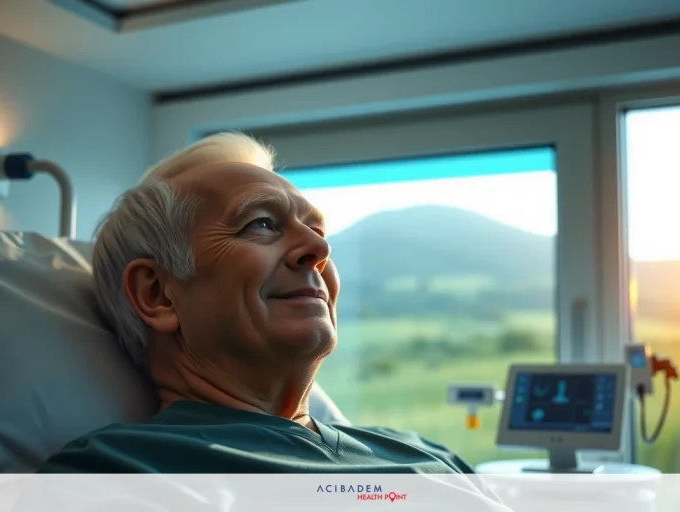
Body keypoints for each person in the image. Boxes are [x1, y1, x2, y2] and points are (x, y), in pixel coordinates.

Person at [35, 132, 500, 498]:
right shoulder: (116, 477)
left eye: (315, 229)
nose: (319, 248)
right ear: (158, 294)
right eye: (260, 223)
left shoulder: (426, 455)